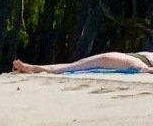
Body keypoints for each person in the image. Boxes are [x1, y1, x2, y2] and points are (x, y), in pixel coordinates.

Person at [12, 51, 153, 75]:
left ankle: (36, 68)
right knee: (79, 63)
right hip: (137, 58)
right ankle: (38, 68)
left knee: (79, 65)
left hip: (138, 62)